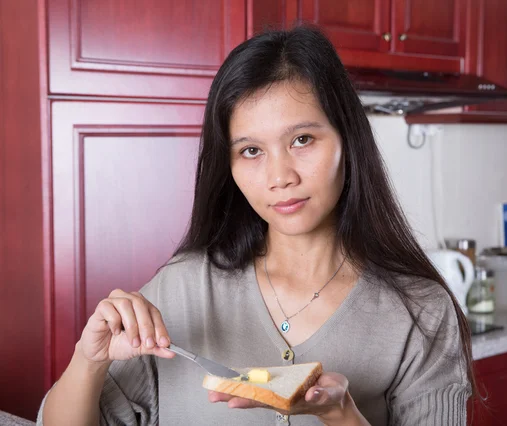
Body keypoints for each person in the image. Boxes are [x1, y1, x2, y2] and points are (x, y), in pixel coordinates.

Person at [38, 25, 474, 425]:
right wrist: (89, 360)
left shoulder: (422, 313)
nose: (279, 176)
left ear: (348, 140)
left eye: (302, 140)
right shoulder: (183, 289)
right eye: (251, 151)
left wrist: (342, 414)